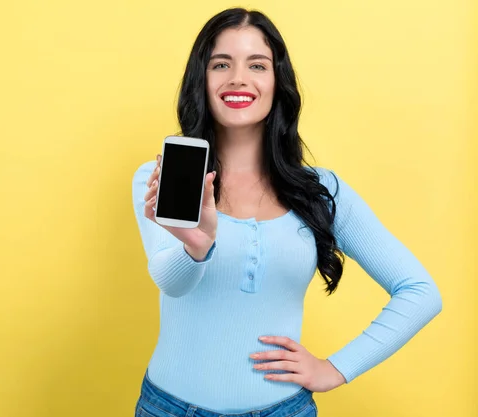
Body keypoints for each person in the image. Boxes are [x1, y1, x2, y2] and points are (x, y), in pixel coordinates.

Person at [131, 7, 442, 417]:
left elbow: (421, 292)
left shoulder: (321, 190)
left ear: (277, 82)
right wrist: (197, 245)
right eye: (221, 64)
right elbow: (171, 284)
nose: (238, 78)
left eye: (256, 65)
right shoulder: (164, 176)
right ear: (201, 80)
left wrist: (336, 368)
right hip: (168, 408)